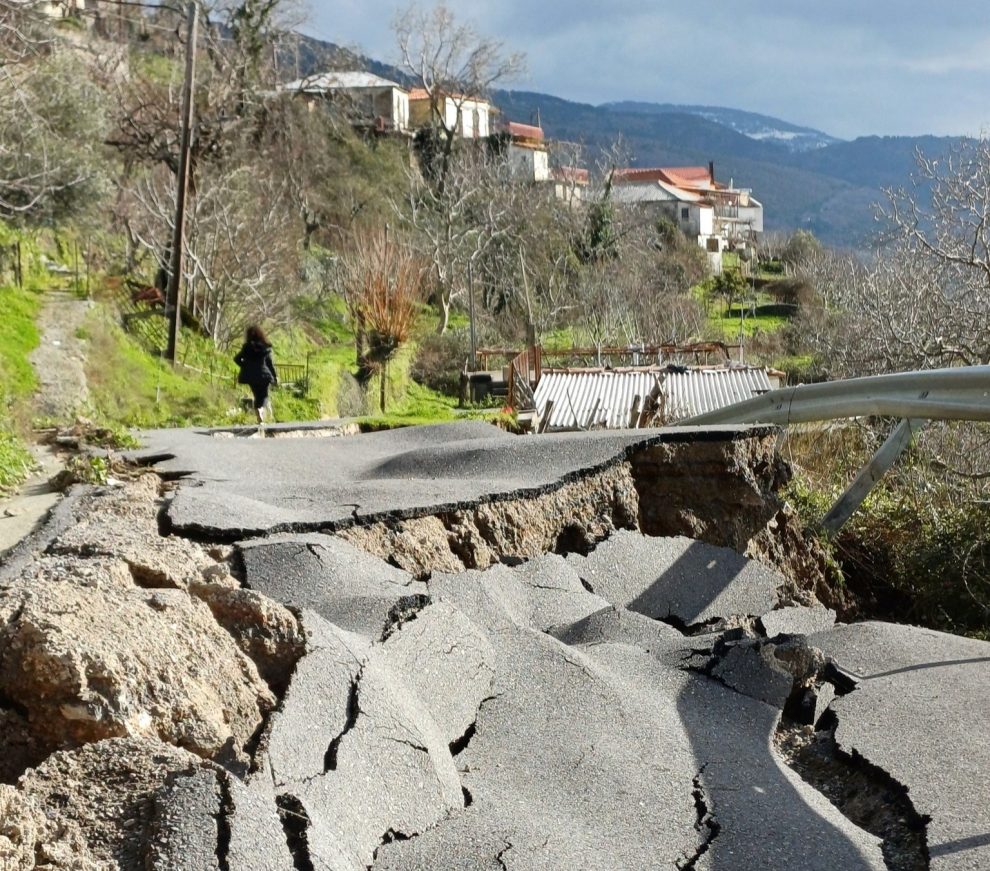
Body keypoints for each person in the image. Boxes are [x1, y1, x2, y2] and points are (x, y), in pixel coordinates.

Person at [234, 325, 278, 425]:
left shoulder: (246, 348)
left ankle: (258, 410)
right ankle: (261, 409)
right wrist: (275, 377)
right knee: (265, 396)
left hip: (250, 376)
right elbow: (270, 363)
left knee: (256, 395)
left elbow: (236, 359)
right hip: (264, 375)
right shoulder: (265, 347)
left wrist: (245, 366)